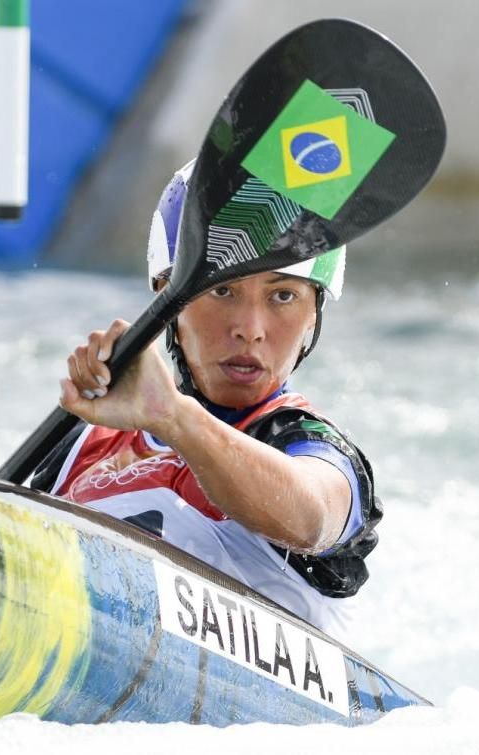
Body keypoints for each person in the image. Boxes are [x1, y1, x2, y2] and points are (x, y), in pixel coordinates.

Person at [30, 160, 381, 636]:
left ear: (313, 316)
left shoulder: (313, 447)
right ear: (165, 298)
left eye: (282, 296)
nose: (250, 330)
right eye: (222, 290)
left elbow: (312, 520)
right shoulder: (79, 445)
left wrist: (174, 418)